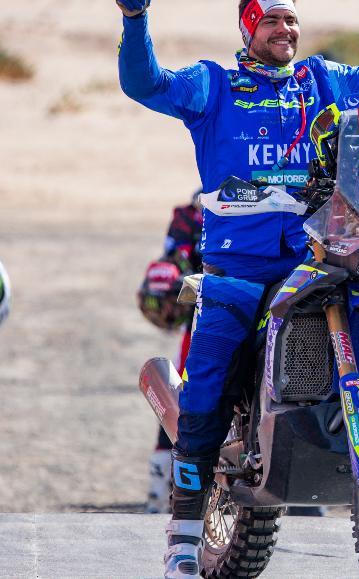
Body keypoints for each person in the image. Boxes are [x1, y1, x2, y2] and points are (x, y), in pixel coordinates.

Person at [117, 0, 359, 577]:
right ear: (249, 29)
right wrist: (135, 21)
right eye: (271, 22)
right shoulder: (213, 85)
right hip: (235, 270)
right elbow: (146, 85)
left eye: (291, 22)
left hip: (315, 256)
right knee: (207, 391)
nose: (285, 31)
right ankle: (184, 538)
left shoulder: (322, 80)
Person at [139, 193, 204, 514]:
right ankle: (159, 488)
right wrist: (169, 275)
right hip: (204, 322)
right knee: (184, 398)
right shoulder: (190, 216)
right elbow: (173, 258)